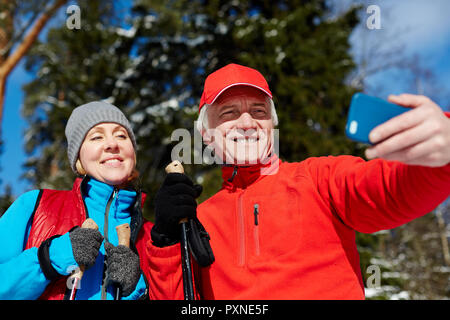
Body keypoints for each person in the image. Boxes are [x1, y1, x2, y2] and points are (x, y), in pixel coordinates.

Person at [145, 63, 450, 299]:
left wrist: (441, 156)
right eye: (229, 112)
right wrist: (166, 240)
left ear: (272, 125)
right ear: (206, 134)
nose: (248, 122)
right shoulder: (199, 219)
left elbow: (390, 189)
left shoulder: (319, 179)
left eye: (259, 111)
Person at [0, 101, 153, 300]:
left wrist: (140, 290)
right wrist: (49, 259)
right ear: (78, 159)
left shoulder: (152, 236)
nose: (112, 144)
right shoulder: (37, 206)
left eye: (122, 135)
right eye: (97, 136)